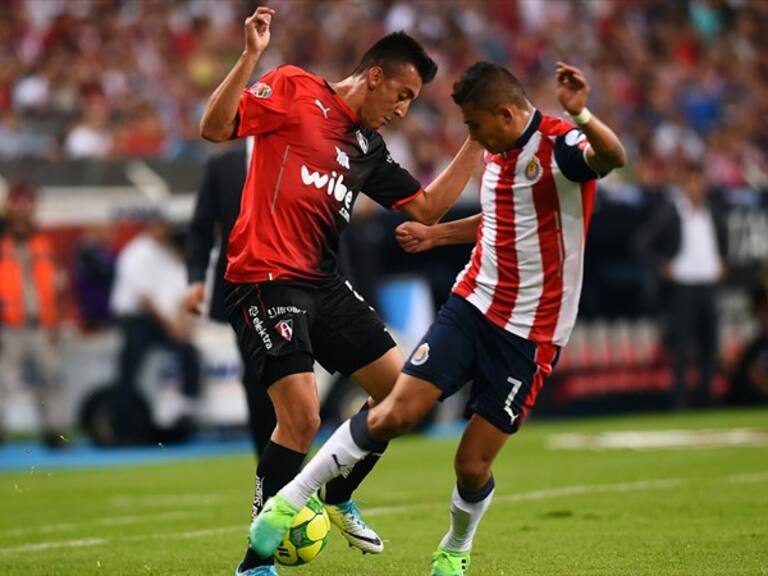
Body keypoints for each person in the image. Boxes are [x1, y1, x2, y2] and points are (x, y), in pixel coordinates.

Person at [248, 60, 627, 576]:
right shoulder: (496, 150)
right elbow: (500, 219)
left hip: (532, 330)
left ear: (505, 114)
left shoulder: (559, 147)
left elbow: (612, 156)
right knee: (396, 411)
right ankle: (288, 501)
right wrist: (436, 235)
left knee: (471, 465)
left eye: (475, 125)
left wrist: (582, 114)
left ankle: (454, 547)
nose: (473, 137)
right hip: (472, 304)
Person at [199, 7, 482, 576]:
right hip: (265, 277)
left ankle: (337, 494)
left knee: (403, 397)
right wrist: (251, 56)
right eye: (401, 94)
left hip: (323, 283)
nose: (403, 110)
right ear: (374, 75)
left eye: (412, 101)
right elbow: (215, 127)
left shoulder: (367, 149)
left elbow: (428, 208)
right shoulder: (293, 88)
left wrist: (477, 139)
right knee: (301, 418)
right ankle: (256, 563)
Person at [182, 138, 277, 457]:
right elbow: (201, 228)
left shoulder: (299, 154)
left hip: (297, 283)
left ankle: (288, 464)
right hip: (242, 290)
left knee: (296, 377)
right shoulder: (221, 166)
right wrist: (196, 280)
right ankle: (271, 467)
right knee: (258, 376)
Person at [639, 161, 727, 408]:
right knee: (681, 347)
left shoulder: (713, 213)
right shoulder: (671, 213)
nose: (697, 186)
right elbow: (642, 243)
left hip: (708, 285)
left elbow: (723, 242)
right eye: (692, 181)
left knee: (710, 346)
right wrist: (661, 266)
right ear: (684, 184)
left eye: (700, 181)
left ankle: (707, 399)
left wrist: (723, 261)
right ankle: (679, 401)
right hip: (682, 287)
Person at [110, 209, 201, 443]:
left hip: (161, 319)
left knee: (187, 351)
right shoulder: (136, 253)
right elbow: (146, 298)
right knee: (129, 372)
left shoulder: (165, 253)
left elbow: (178, 292)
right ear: (149, 226)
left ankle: (184, 406)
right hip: (137, 320)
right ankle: (121, 428)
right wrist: (171, 325)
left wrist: (181, 322)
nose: (164, 229)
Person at [0, 181, 67, 448]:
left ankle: (54, 431)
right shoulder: (3, 245)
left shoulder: (44, 245)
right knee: (3, 382)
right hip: (8, 326)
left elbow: (57, 289)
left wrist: (56, 324)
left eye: (25, 212)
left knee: (50, 380)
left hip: (41, 325)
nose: (20, 219)